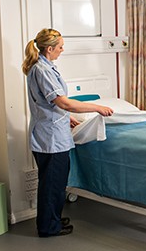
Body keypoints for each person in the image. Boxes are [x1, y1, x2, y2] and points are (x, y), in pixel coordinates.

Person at [22, 28, 114, 238]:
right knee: (52, 185)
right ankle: (48, 227)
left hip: (53, 132)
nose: (62, 50)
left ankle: (52, 218)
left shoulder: (45, 67)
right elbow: (63, 102)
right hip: (50, 139)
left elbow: (51, 105)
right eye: (60, 47)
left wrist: (66, 118)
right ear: (50, 48)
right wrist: (96, 107)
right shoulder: (42, 70)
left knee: (55, 183)